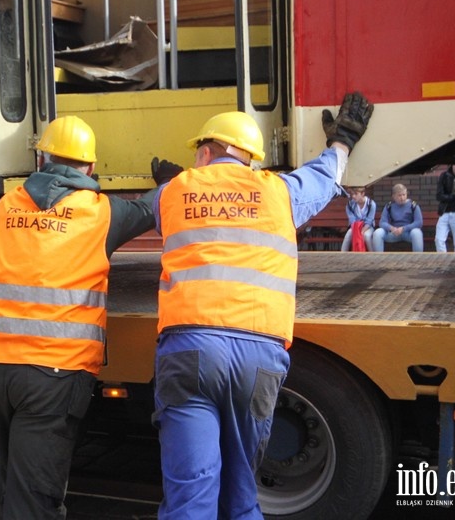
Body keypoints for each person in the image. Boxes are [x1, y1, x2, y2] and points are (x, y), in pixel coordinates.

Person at [152, 92, 373, 519]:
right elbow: (326, 177)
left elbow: (166, 210)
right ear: (252, 159)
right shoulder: (279, 192)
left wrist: (174, 181)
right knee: (241, 492)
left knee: (191, 494)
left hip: (191, 351)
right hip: (258, 356)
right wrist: (343, 139)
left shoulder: (175, 190)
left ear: (204, 152)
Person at [0, 115, 181, 520]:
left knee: (14, 480)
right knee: (34, 497)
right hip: (52, 372)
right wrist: (170, 183)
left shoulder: (6, 205)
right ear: (90, 167)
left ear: (41, 157)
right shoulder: (100, 213)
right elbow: (150, 209)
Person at [371, 184, 424, 252]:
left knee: (417, 233)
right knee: (377, 232)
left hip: (408, 232)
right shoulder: (389, 206)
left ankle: (418, 259)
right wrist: (391, 228)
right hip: (394, 233)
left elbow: (419, 222)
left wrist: (403, 228)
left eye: (404, 194)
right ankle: (378, 258)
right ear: (394, 196)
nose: (402, 198)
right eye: (399, 195)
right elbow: (382, 222)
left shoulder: (413, 205)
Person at [340, 186, 376, 251]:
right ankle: (342, 254)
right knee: (348, 234)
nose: (353, 196)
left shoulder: (371, 204)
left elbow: (369, 220)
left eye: (356, 194)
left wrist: (362, 231)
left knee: (367, 236)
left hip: (368, 227)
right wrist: (357, 231)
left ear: (362, 194)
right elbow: (352, 220)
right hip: (355, 227)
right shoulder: (350, 205)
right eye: (352, 194)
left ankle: (372, 254)